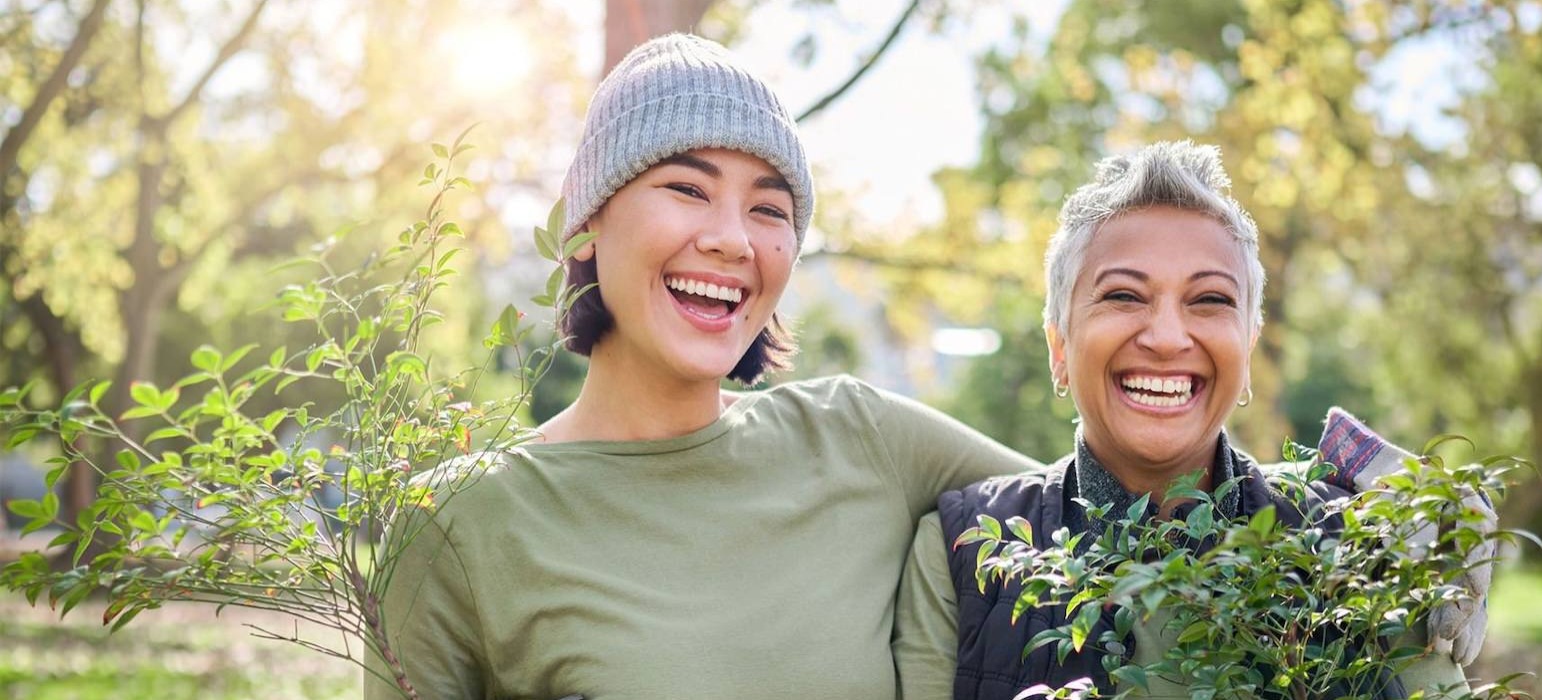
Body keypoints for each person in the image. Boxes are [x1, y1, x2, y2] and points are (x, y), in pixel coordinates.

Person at [365, 35, 1482, 700]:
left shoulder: (859, 437)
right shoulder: (460, 528)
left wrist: (1381, 509)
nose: (731, 237)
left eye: (770, 208)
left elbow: (1134, 490)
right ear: (584, 226)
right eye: (685, 188)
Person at [891, 142, 1482, 699]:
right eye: (1123, 296)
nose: (1169, 338)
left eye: (1210, 300)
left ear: (1247, 350)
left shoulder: (1364, 542)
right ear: (1059, 348)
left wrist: (1425, 518)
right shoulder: (960, 549)